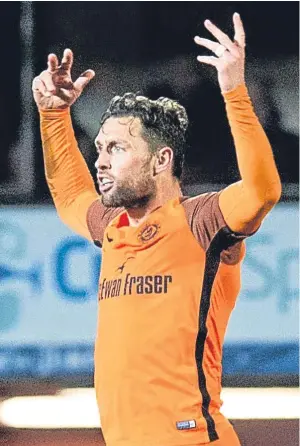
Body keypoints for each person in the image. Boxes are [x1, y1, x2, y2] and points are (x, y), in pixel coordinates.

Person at [32, 13, 281, 446]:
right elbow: (72, 196)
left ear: (161, 160)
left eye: (117, 148)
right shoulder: (114, 227)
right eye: (100, 148)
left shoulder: (202, 222)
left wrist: (234, 91)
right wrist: (54, 117)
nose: (101, 161)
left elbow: (262, 190)